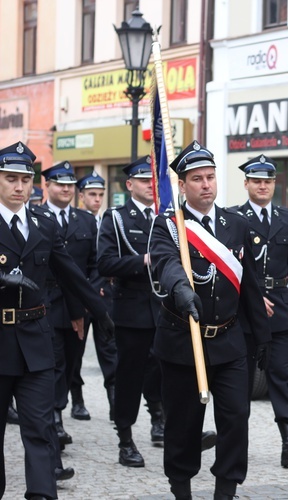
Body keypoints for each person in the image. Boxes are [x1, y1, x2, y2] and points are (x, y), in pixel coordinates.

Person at [149, 141, 271, 500]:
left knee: (236, 419)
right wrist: (181, 290)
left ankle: (226, 490)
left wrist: (262, 338)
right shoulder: (169, 226)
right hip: (183, 342)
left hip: (229, 342)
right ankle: (182, 488)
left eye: (211, 177)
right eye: (197, 179)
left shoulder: (236, 223)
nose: (206, 185)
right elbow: (166, 263)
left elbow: (250, 284)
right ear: (182, 186)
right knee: (184, 424)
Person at [0, 141, 114, 499]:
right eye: (10, 179)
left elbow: (71, 275)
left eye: (25, 179)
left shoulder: (43, 224)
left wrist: (101, 314)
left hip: (35, 339)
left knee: (40, 428)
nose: (19, 187)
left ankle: (42, 494)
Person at [97, 156, 168, 467]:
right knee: (129, 376)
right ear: (129, 185)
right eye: (142, 180)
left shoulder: (166, 217)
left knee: (164, 369)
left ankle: (160, 419)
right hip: (132, 309)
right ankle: (125, 438)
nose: (149, 186)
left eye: (152, 180)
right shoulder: (116, 219)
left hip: (165, 308)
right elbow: (106, 263)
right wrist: (143, 261)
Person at [234, 154, 288, 468]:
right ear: (246, 183)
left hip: (280, 307)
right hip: (245, 310)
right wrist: (253, 297)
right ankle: (235, 442)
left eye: (268, 181)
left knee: (280, 374)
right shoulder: (233, 219)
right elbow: (232, 268)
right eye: (257, 181)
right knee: (241, 378)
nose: (263, 186)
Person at [41, 161, 100, 441]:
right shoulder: (35, 215)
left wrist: (90, 298)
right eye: (59, 184)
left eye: (69, 185)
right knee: (53, 362)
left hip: (78, 305)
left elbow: (96, 265)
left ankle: (59, 408)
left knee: (72, 362)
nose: (65, 189)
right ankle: (54, 418)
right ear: (47, 186)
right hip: (45, 303)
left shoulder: (86, 220)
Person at [77, 171, 118, 420]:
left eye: (101, 195)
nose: (97, 199)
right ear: (81, 196)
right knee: (75, 354)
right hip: (81, 299)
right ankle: (77, 400)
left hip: (104, 299)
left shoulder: (109, 222)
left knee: (109, 351)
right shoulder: (73, 221)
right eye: (92, 194)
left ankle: (114, 401)